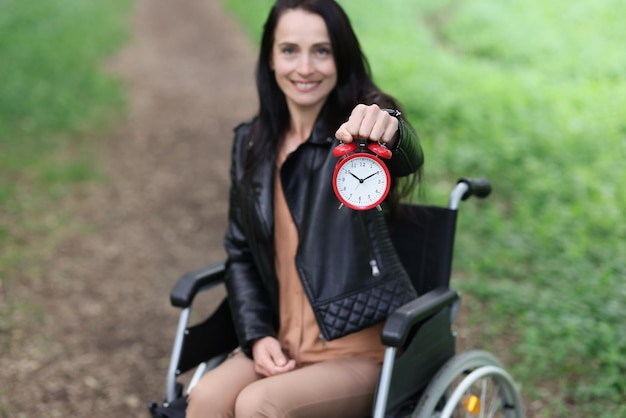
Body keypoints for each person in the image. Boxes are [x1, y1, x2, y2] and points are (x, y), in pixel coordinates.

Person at [186, 0, 423, 417]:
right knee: (205, 397)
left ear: (341, 57)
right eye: (290, 50)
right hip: (282, 341)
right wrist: (258, 335)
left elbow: (404, 151)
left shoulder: (359, 134)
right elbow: (240, 253)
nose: (305, 67)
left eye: (322, 50)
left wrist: (388, 126)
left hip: (356, 353)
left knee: (258, 404)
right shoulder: (251, 143)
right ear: (271, 59)